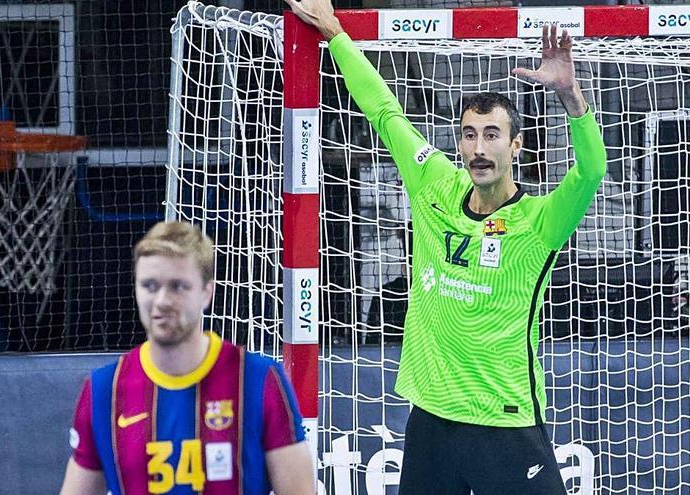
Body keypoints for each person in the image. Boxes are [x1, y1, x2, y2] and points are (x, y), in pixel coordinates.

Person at [283, 1, 606, 493]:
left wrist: (570, 94)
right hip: (432, 418)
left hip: (506, 420)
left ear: (516, 146)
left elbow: (591, 171)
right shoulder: (433, 183)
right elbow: (385, 111)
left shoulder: (539, 221)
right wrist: (334, 34)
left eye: (493, 135)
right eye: (469, 135)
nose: (480, 148)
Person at [59, 221, 315, 495]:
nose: (162, 301)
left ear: (207, 292)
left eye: (178, 287)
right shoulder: (103, 390)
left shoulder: (258, 380)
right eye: (149, 285)